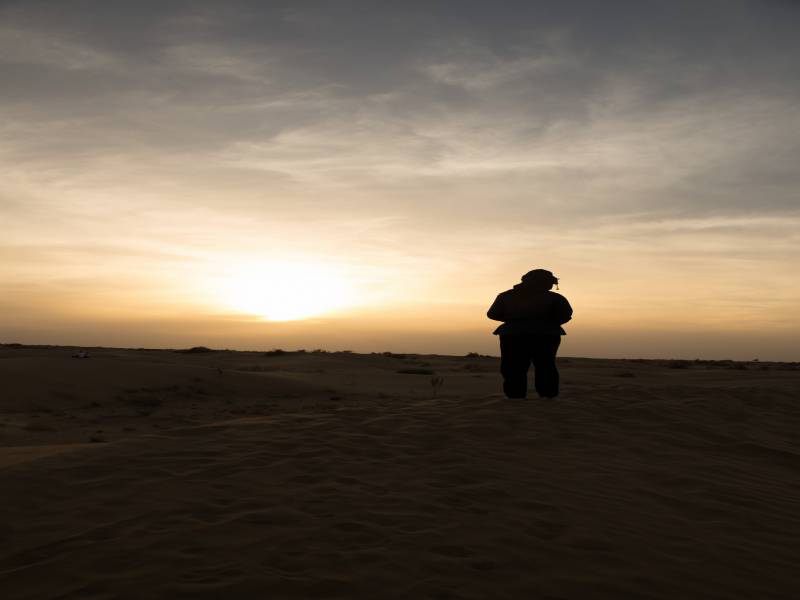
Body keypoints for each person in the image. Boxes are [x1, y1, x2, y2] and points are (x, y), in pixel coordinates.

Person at [487, 269, 572, 399]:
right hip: (546, 335)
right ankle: (547, 396)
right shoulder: (555, 298)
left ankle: (515, 396)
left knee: (514, 367)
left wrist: (513, 320)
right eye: (550, 282)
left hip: (513, 335)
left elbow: (492, 314)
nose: (551, 285)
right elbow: (566, 315)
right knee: (545, 366)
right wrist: (548, 323)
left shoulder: (505, 296)